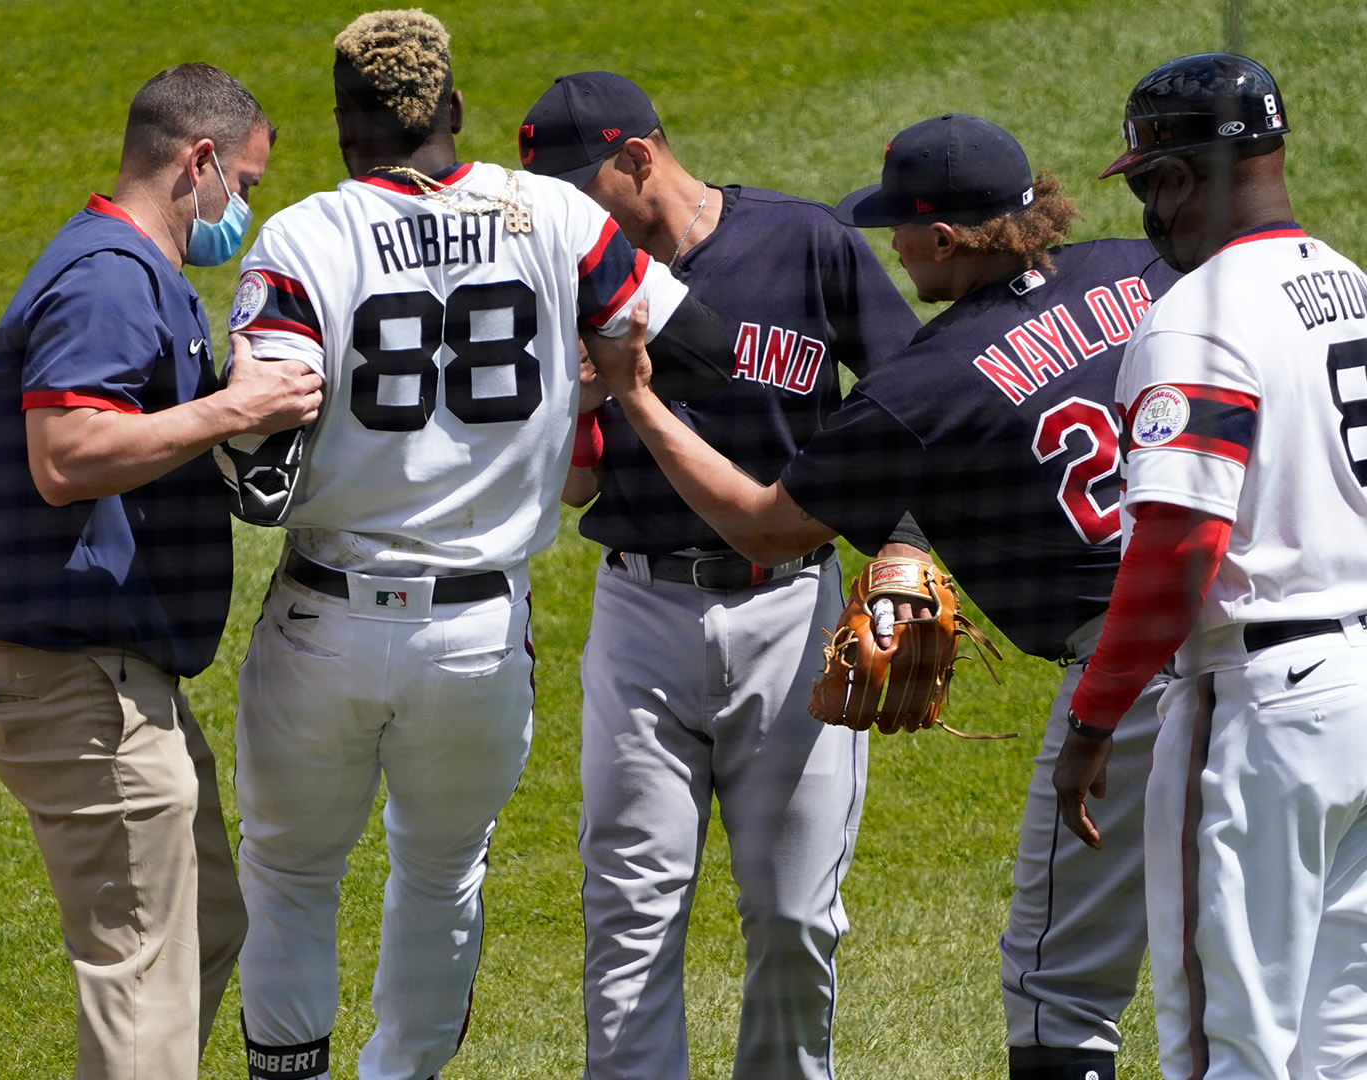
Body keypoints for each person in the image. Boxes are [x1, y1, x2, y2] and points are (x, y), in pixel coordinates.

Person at [583, 114, 1180, 1080]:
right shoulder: (1135, 270)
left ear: (945, 240)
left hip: (1125, 670)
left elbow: (768, 525)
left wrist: (636, 394)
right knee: (1253, 953)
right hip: (1261, 625)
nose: (889, 246)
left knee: (1058, 994)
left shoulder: (929, 381)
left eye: (900, 227)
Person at [221, 12, 744, 1080]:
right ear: (453, 111)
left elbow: (260, 469)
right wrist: (583, 373)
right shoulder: (550, 212)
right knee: (442, 872)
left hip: (326, 613)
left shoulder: (307, 236)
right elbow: (705, 350)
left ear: (342, 124)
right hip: (476, 632)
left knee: (288, 874)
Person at [516, 71, 924, 1080]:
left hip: (789, 611)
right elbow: (573, 488)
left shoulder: (804, 243)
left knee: (793, 916)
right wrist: (570, 396)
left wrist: (904, 546)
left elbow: (917, 404)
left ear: (640, 157)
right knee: (629, 912)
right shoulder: (569, 280)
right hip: (640, 612)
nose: (566, 215)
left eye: (581, 188)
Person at [0, 64, 320, 1080]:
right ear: (197, 161)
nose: (241, 209)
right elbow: (66, 455)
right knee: (143, 985)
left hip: (113, 684)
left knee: (199, 929)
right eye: (241, 183)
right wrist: (240, 409)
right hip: (80, 688)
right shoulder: (110, 273)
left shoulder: (130, 269)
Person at [1053, 54, 1367, 1080]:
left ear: (1180, 181)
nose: (1149, 209)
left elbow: (1182, 544)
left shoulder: (1197, 315)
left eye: (1148, 183)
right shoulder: (1350, 286)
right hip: (1360, 686)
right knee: (1341, 1036)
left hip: (1263, 708)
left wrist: (1094, 718)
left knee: (1228, 1042)